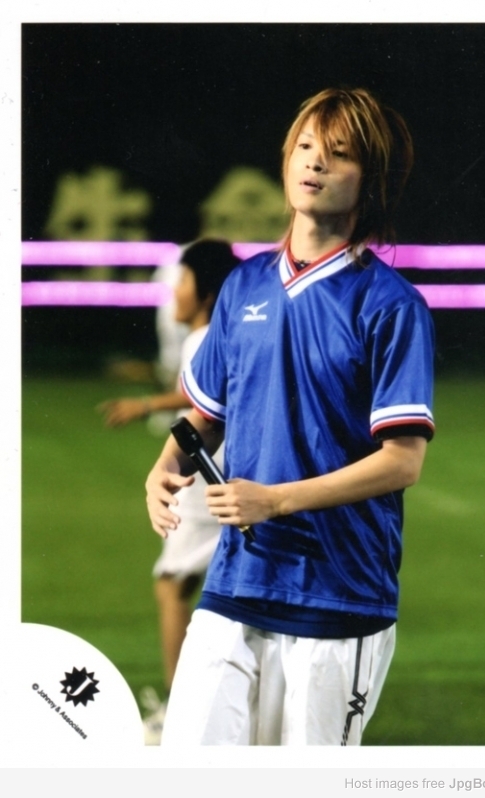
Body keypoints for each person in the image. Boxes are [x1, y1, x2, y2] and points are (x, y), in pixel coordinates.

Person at [145, 87, 435, 746]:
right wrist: (164, 466)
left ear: (371, 180)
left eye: (339, 153)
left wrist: (275, 500)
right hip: (236, 582)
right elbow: (207, 414)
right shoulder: (243, 286)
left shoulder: (391, 305)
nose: (315, 162)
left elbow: (402, 462)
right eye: (305, 146)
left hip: (339, 594)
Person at [99, 238, 241, 743]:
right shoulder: (219, 333)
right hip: (228, 476)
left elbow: (199, 401)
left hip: (203, 481)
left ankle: (179, 715)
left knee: (172, 584)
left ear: (206, 292)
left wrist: (144, 405)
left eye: (182, 281)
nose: (174, 292)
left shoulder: (204, 338)